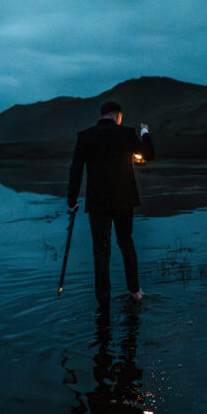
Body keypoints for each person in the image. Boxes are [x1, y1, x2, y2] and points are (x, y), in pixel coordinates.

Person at [68, 101, 155, 312]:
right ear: (118, 116)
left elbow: (76, 170)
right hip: (124, 200)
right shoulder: (125, 133)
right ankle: (135, 291)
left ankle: (103, 302)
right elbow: (149, 154)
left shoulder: (85, 136)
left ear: (101, 116)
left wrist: (72, 201)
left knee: (101, 252)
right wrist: (144, 133)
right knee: (126, 243)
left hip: (97, 203)